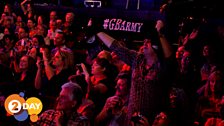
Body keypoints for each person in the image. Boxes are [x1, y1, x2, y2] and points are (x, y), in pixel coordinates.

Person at [96, 20, 173, 124]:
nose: (145, 43)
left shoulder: (161, 65)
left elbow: (169, 57)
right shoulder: (138, 59)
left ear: (156, 46)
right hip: (131, 118)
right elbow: (117, 47)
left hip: (152, 120)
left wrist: (160, 33)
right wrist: (98, 31)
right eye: (144, 40)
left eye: (149, 41)